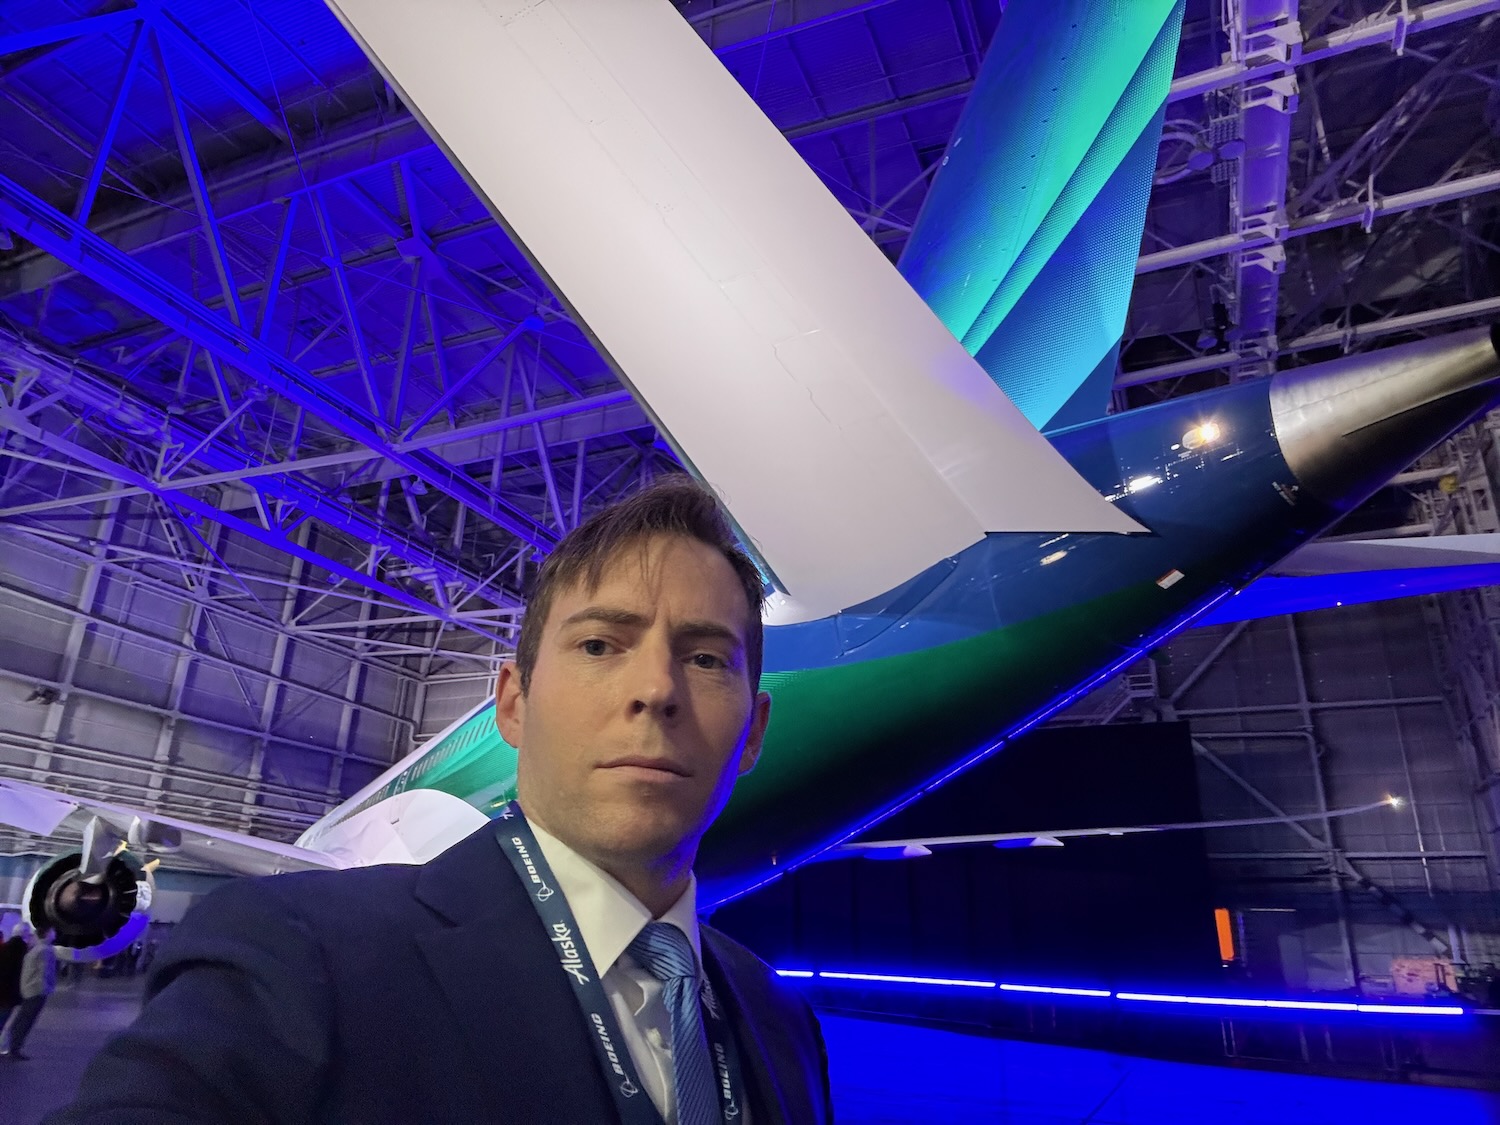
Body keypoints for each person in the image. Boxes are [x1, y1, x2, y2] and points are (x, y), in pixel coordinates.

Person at [50, 477, 832, 1123]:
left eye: (703, 657)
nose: (656, 689)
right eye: (599, 644)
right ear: (513, 703)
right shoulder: (292, 961)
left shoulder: (782, 1022)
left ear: (754, 730)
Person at [2, 925, 57, 1061]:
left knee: (19, 1019)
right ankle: (14, 1048)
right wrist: (46, 988)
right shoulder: (44, 950)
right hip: (35, 991)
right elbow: (45, 972)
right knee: (25, 1020)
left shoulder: (33, 950)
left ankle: (12, 1047)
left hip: (23, 990)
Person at [0, 924, 26, 1038]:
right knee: (4, 1018)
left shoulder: (5, 947)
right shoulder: (24, 950)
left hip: (3, 989)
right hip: (11, 991)